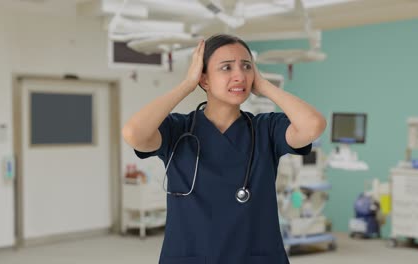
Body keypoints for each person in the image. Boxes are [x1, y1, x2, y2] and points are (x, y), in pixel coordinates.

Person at [122, 34, 326, 264]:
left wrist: (265, 86)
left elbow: (313, 125)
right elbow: (133, 133)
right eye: (226, 67)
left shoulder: (266, 128)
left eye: (246, 66)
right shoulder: (177, 129)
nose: (239, 75)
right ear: (205, 79)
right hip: (191, 256)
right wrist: (187, 85)